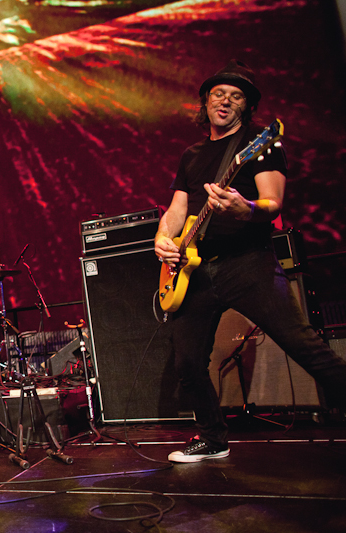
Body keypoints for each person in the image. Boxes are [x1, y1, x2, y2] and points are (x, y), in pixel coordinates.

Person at [154, 60, 346, 463]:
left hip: (247, 262)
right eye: (218, 93)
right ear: (205, 102)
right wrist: (162, 239)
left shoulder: (261, 143)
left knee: (303, 345)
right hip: (195, 271)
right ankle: (213, 439)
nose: (225, 101)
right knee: (187, 362)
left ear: (248, 106)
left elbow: (273, 202)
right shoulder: (191, 155)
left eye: (236, 96)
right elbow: (177, 209)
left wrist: (247, 208)